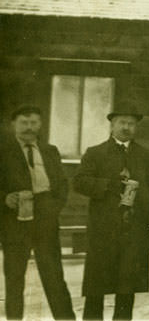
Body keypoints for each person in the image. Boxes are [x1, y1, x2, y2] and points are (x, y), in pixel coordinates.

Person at [74, 102, 149, 321]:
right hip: (104, 229)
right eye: (122, 122)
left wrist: (147, 205)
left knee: (126, 286)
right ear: (112, 125)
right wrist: (107, 185)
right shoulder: (96, 153)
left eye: (131, 123)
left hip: (132, 230)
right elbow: (80, 182)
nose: (126, 127)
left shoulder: (143, 155)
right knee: (96, 287)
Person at [0, 105, 76, 321]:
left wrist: (53, 209)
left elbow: (61, 185)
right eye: (24, 123)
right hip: (14, 223)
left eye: (33, 122)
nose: (29, 127)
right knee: (14, 280)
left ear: (40, 125)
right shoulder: (3, 152)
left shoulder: (50, 150)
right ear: (13, 124)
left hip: (45, 222)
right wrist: (5, 198)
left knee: (54, 278)